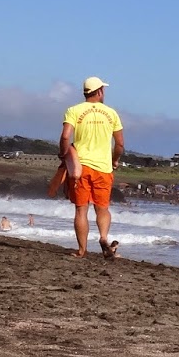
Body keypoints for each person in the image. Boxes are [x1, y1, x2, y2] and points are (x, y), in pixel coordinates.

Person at [60, 76, 125, 260]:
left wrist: (63, 154)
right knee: (102, 208)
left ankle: (82, 250)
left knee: (81, 209)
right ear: (99, 91)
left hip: (81, 167)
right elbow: (120, 144)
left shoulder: (74, 110)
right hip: (104, 169)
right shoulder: (111, 113)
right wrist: (114, 160)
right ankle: (104, 238)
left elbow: (65, 137)